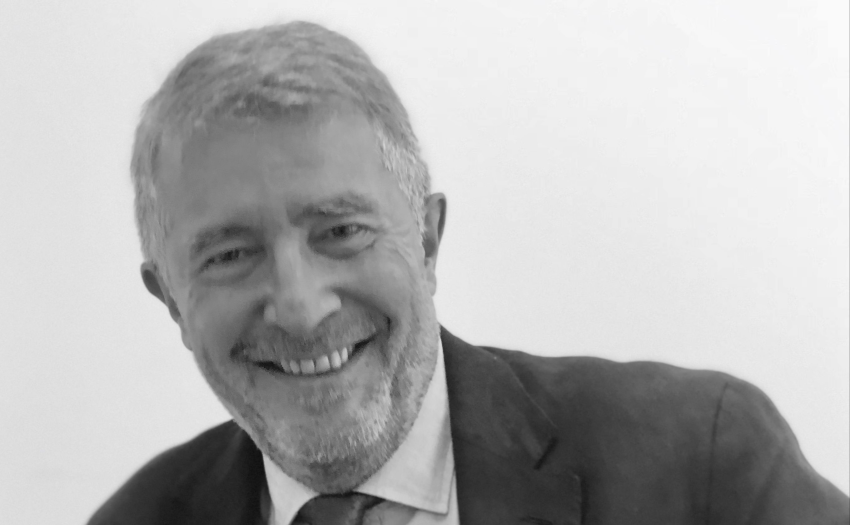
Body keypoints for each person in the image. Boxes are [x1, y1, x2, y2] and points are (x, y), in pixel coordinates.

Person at [88, 21, 848, 525]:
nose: (300, 305)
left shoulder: (705, 464)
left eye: (342, 232)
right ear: (172, 301)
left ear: (426, 240)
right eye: (229, 255)